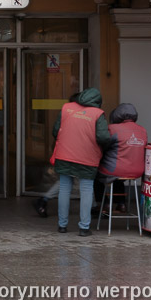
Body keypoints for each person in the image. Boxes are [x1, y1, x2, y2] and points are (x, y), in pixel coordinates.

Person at [52, 88, 116, 236]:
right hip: (87, 157)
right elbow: (103, 137)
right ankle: (84, 227)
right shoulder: (97, 114)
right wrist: (102, 148)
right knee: (86, 189)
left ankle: (62, 225)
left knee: (64, 189)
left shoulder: (66, 108)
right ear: (98, 101)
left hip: (64, 154)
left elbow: (55, 131)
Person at [33, 91, 80, 218]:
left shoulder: (65, 113)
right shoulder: (82, 115)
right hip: (76, 152)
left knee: (67, 179)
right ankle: (92, 207)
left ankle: (44, 200)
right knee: (79, 179)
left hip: (65, 150)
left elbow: (55, 131)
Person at [97, 103, 148, 212]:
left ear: (117, 115)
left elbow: (103, 146)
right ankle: (121, 203)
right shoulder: (142, 130)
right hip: (138, 171)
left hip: (116, 169)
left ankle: (104, 204)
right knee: (118, 176)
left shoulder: (112, 129)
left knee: (95, 173)